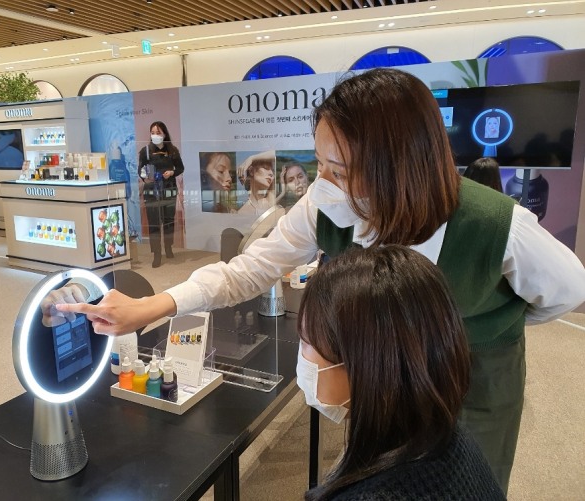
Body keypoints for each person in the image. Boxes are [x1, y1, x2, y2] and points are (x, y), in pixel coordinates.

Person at [56, 68, 585, 494]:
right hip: (379, 382)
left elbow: (566, 293)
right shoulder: (326, 203)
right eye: (320, 164)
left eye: (340, 169)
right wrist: (158, 305)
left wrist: (483, 323)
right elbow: (250, 269)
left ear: (398, 166)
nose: (322, 183)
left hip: (472, 388)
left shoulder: (498, 226)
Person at [298, 245, 504, 500]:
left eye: (306, 342)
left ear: (368, 364)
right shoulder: (451, 441)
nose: (302, 355)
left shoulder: (375, 494)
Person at [138, 121, 184, 268]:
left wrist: (172, 172)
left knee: (168, 220)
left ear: (164, 134)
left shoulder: (172, 150)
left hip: (169, 188)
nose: (155, 135)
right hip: (152, 190)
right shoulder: (145, 151)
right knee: (154, 222)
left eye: (158, 133)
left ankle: (168, 247)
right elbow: (140, 171)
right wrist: (146, 176)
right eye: (152, 133)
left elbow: (180, 168)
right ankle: (157, 254)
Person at [236, 150, 277, 215]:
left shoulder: (270, 200)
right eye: (266, 168)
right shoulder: (243, 212)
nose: (271, 173)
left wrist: (252, 158)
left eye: (273, 171)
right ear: (251, 171)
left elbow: (278, 153)